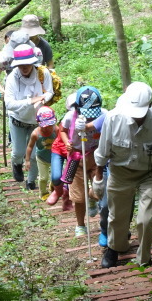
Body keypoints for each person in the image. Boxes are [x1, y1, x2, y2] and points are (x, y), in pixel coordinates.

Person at [93, 82, 152, 268]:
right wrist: (98, 178)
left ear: (151, 104)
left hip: (150, 172)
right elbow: (103, 151)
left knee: (146, 219)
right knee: (117, 215)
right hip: (120, 171)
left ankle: (144, 257)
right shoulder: (114, 118)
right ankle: (115, 248)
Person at [60, 85, 106, 238]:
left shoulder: (104, 115)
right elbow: (62, 131)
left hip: (96, 156)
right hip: (76, 158)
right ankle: (80, 225)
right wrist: (67, 143)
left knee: (100, 189)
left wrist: (89, 126)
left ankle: (92, 198)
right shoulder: (69, 117)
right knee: (78, 196)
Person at [4, 44, 53, 188]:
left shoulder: (43, 73)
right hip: (17, 120)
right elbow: (9, 104)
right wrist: (30, 101)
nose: (24, 67)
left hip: (36, 121)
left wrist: (43, 98)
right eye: (21, 64)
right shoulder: (12, 78)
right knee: (18, 152)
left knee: (33, 154)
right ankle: (17, 164)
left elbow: (49, 91)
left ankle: (31, 181)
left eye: (27, 64)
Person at [47, 92, 76, 211]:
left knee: (70, 177)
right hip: (59, 148)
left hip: (74, 152)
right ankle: (58, 191)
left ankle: (67, 197)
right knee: (56, 176)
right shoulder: (66, 118)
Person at [25, 106, 59, 199]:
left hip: (55, 157)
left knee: (56, 176)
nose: (47, 128)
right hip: (41, 158)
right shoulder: (35, 134)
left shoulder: (56, 130)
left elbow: (61, 141)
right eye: (45, 126)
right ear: (39, 123)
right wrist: (27, 160)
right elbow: (29, 147)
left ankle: (53, 187)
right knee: (43, 178)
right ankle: (43, 192)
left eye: (50, 125)